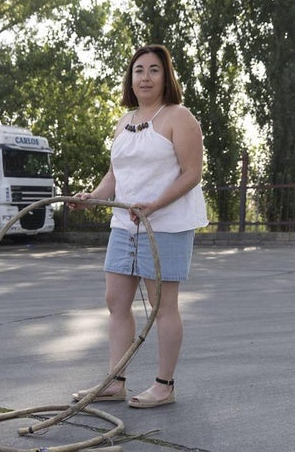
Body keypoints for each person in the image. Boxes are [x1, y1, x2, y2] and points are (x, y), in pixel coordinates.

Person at [69, 44, 208, 408]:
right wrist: (93, 197)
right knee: (116, 302)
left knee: (164, 307)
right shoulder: (125, 120)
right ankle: (115, 382)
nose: (145, 77)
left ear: (166, 77)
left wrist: (155, 205)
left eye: (153, 70)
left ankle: (164, 385)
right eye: (138, 70)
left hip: (166, 225)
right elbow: (116, 174)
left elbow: (192, 174)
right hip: (124, 226)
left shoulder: (179, 117)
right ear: (130, 79)